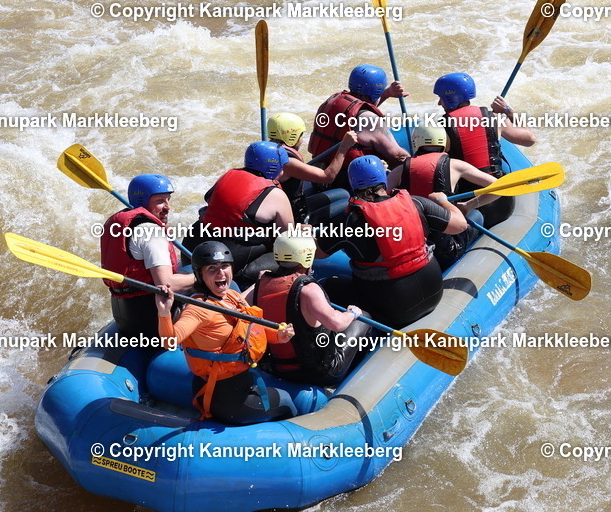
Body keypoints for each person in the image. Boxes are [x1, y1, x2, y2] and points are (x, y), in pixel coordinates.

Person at [155, 241, 309, 424]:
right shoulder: (197, 310)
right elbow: (170, 342)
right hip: (227, 398)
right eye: (212, 268)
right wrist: (164, 313)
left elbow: (251, 328)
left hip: (240, 382)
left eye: (225, 266)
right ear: (200, 274)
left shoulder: (232, 296)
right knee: (285, 401)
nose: (221, 273)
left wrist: (278, 335)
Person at [316, 155, 468, 329]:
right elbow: (460, 225)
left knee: (327, 285)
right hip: (434, 292)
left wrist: (306, 235)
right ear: (383, 178)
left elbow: (316, 253)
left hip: (394, 309)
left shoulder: (349, 221)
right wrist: (443, 201)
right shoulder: (415, 202)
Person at [246, 231, 371, 386]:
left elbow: (242, 305)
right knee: (365, 318)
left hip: (280, 368)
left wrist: (257, 283)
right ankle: (355, 381)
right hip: (320, 372)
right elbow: (337, 324)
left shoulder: (260, 284)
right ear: (307, 258)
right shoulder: (309, 289)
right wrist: (351, 313)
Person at [185, 141, 296, 288]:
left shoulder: (228, 175)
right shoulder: (276, 194)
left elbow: (210, 201)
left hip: (194, 243)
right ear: (275, 167)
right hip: (226, 255)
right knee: (291, 256)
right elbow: (288, 237)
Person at [434, 72, 536, 227]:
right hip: (502, 201)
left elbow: (433, 167)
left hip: (467, 204)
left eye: (441, 97)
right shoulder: (494, 118)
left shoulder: (441, 127)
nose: (439, 103)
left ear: (451, 98)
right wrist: (509, 110)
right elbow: (530, 139)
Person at [387, 124, 497, 266]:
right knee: (477, 215)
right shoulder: (456, 165)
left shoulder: (399, 170)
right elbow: (497, 188)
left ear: (415, 143)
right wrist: (468, 206)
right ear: (444, 142)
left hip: (415, 247)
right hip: (447, 250)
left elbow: (382, 200)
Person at [100, 173, 194, 338]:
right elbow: (166, 285)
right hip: (152, 322)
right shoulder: (151, 232)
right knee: (211, 280)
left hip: (124, 318)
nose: (168, 207)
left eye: (168, 200)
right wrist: (205, 278)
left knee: (185, 268)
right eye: (160, 201)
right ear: (143, 202)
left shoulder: (116, 222)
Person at [309, 64, 410, 189]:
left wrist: (387, 93)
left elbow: (358, 113)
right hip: (350, 181)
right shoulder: (370, 120)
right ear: (377, 90)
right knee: (402, 164)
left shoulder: (334, 100)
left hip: (321, 170)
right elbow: (398, 156)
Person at [267, 112, 357, 222]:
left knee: (343, 193)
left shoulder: (266, 152)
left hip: (283, 204)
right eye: (301, 135)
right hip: (292, 217)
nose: (302, 140)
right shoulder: (288, 162)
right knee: (348, 202)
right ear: (292, 137)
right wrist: (344, 146)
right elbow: (328, 177)